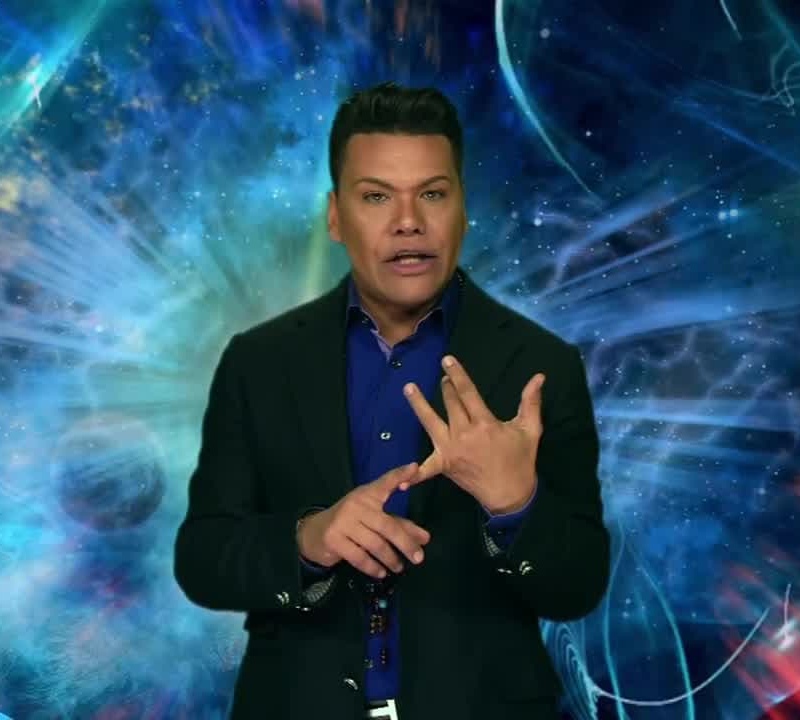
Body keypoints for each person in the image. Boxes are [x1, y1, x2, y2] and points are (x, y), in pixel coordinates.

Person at [174, 81, 609, 720]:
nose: (409, 221)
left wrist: (517, 504)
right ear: (335, 217)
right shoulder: (258, 361)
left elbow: (579, 587)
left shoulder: (542, 367)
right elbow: (203, 558)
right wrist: (308, 539)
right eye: (376, 196)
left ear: (462, 210)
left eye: (432, 194)